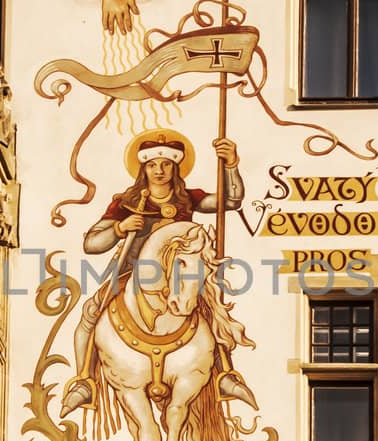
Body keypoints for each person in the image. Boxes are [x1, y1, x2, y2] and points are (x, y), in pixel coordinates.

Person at [60, 131, 256, 414]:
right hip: (134, 273)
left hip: (180, 277)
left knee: (213, 312)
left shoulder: (187, 199)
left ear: (175, 167)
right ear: (143, 168)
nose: (160, 170)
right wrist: (120, 228)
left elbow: (231, 201)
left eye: (166, 164)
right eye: (153, 164)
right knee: (92, 312)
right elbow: (91, 244)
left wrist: (231, 164)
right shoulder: (126, 202)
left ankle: (225, 373)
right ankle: (84, 380)